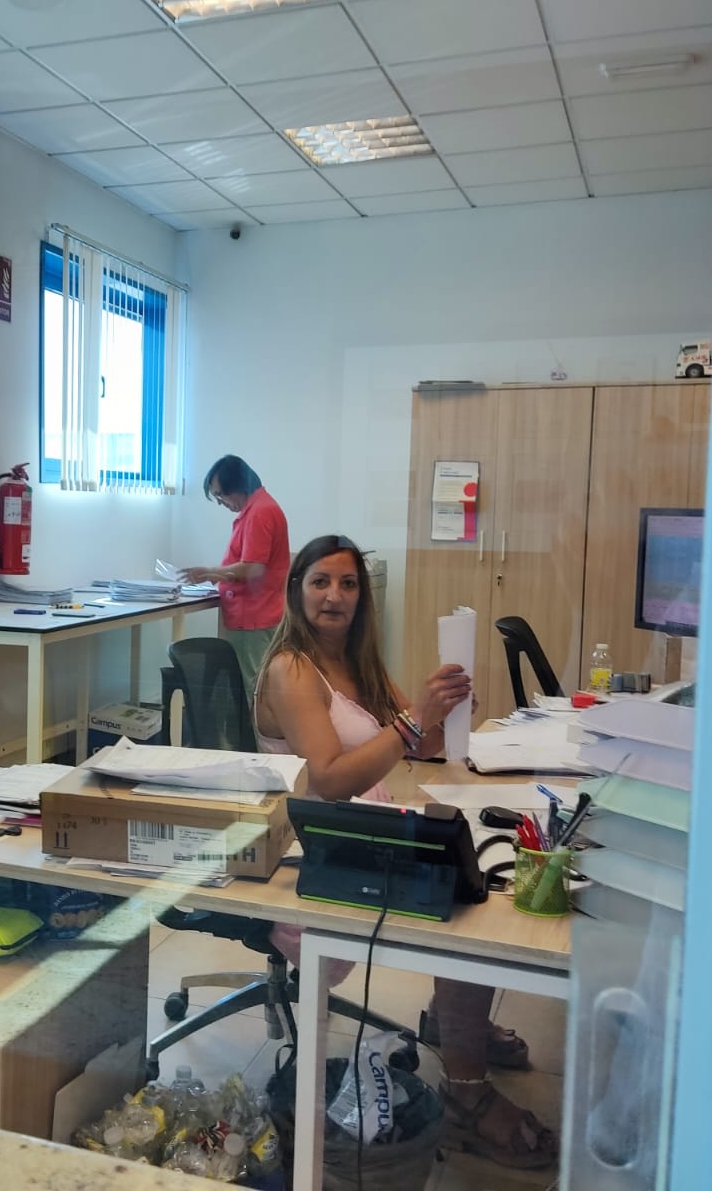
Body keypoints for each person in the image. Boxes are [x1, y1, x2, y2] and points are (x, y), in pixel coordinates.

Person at [253, 534, 558, 1170]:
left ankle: (456, 1021)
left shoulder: (354, 663)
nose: (334, 596)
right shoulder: (291, 668)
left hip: (365, 836)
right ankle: (467, 1091)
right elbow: (329, 779)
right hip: (316, 857)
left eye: (348, 584)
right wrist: (415, 718)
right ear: (296, 590)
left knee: (481, 865)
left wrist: (444, 710)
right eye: (320, 581)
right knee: (470, 910)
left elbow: (415, 741)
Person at [181, 455, 289, 703]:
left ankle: (255, 731)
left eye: (221, 495)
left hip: (253, 617)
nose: (221, 502)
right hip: (256, 614)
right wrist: (214, 574)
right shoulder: (259, 508)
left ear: (237, 485)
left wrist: (211, 571)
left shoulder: (260, 512)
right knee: (255, 686)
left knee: (254, 691)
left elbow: (253, 569)